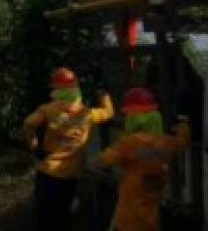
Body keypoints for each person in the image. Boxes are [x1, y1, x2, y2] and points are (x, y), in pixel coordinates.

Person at [24, 67, 115, 230]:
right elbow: (108, 112)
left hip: (47, 173)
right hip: (70, 176)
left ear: (56, 89)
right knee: (63, 218)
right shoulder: (86, 113)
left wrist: (34, 146)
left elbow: (29, 124)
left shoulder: (48, 109)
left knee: (44, 220)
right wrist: (103, 92)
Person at [98, 88, 191, 231]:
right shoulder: (167, 143)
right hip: (151, 222)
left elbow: (104, 160)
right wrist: (183, 125)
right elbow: (182, 141)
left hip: (127, 221)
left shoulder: (129, 143)